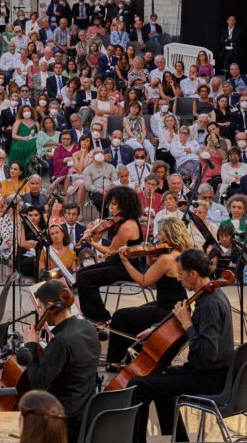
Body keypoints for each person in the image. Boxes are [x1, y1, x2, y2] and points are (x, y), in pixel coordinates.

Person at [127, 248, 235, 443]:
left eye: (181, 274)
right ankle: (179, 438)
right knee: (159, 379)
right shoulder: (212, 294)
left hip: (209, 377)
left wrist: (187, 323)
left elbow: (207, 353)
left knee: (138, 385)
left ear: (193, 274)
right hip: (213, 372)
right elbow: (197, 335)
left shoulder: (209, 304)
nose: (178, 278)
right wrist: (156, 331)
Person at [18, 280, 101, 443]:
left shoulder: (61, 342)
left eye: (41, 308)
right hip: (85, 412)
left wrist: (31, 346)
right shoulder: (87, 326)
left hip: (62, 421)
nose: (40, 312)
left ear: (50, 306)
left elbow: (37, 384)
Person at [106, 216, 189, 370]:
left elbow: (144, 282)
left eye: (160, 233)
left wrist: (125, 261)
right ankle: (129, 355)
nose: (157, 237)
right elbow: (153, 268)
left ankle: (116, 361)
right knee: (135, 313)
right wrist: (150, 254)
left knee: (120, 316)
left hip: (167, 310)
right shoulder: (182, 253)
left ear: (168, 234)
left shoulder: (167, 258)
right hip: (175, 304)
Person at [74, 186, 144, 325]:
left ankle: (101, 317)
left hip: (128, 268)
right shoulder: (122, 220)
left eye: (114, 204)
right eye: (110, 203)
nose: (110, 208)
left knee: (86, 279)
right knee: (81, 273)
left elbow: (109, 251)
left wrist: (91, 242)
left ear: (125, 205)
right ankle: (89, 315)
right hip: (117, 262)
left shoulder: (127, 226)